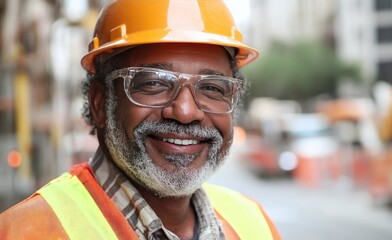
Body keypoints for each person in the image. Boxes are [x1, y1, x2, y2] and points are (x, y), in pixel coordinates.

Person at [0, 0, 281, 239]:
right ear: (100, 102)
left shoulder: (253, 223)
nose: (185, 112)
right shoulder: (24, 231)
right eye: (154, 83)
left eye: (211, 88)